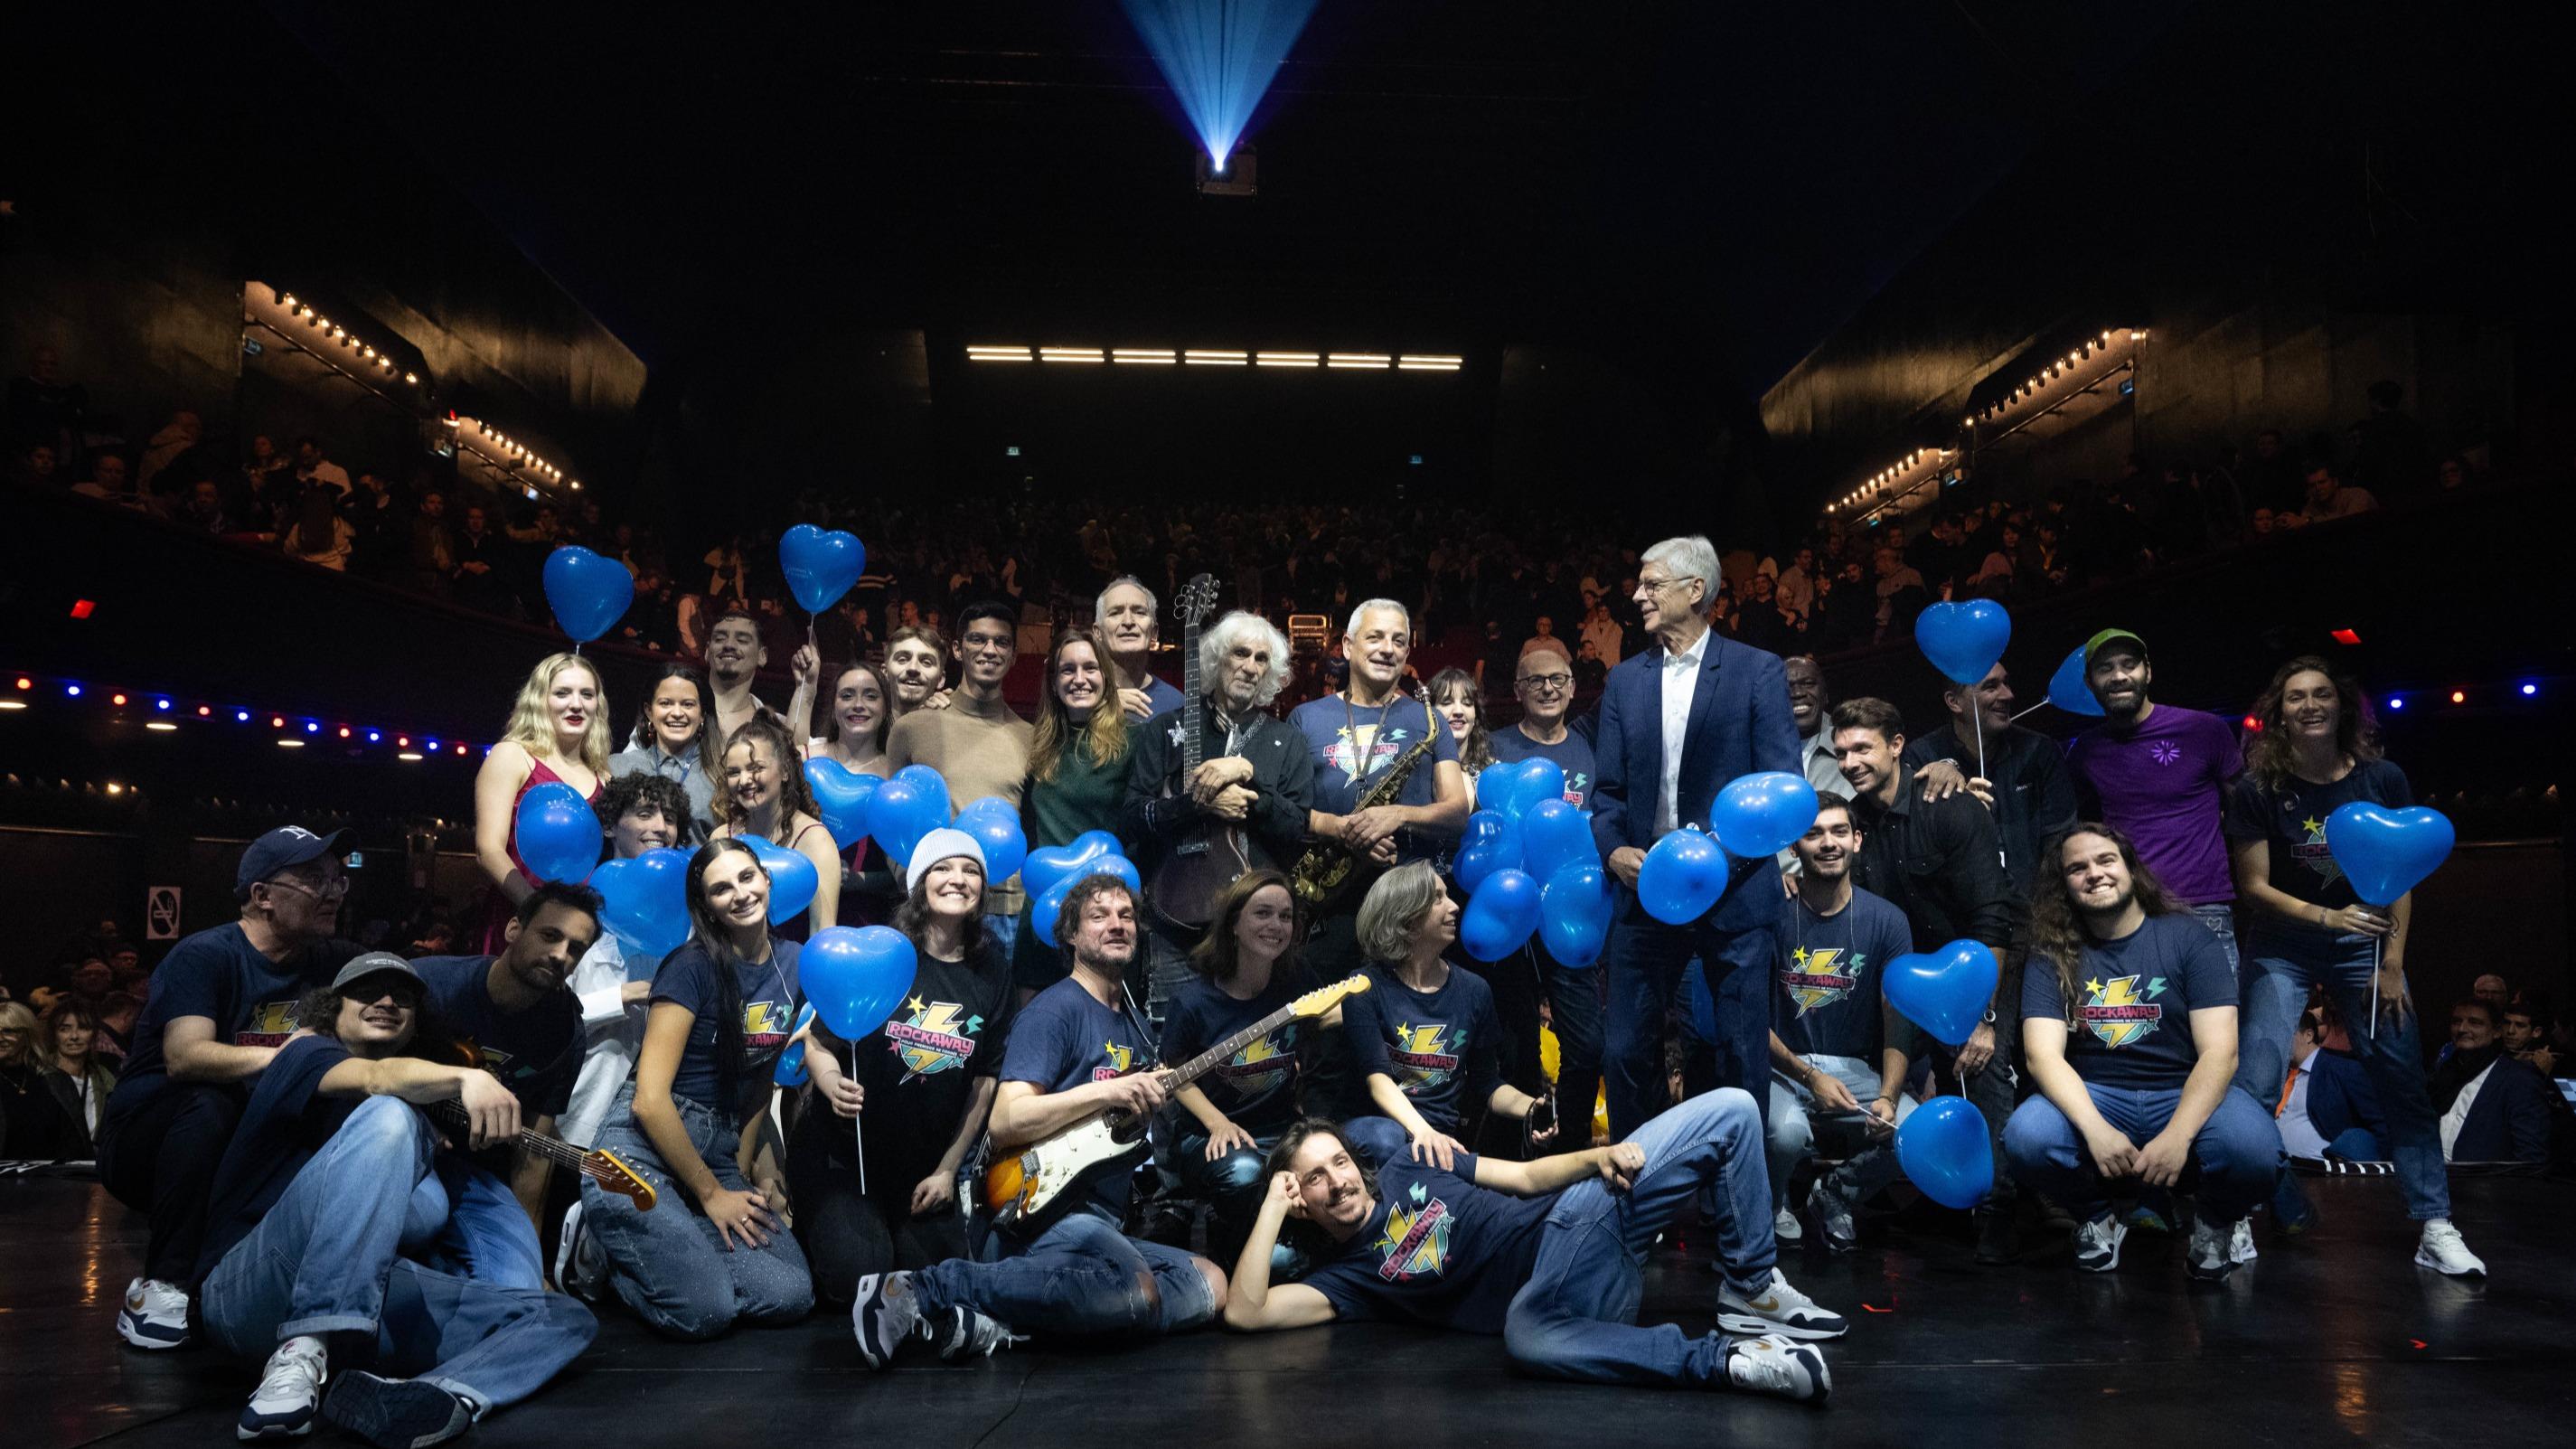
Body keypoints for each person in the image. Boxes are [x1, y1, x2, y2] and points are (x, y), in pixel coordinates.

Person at [195, 954, 595, 1446]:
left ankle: (435, 1397)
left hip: (365, 1314)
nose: (387, 1002)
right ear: (331, 1009)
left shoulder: (422, 1134)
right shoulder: (305, 1056)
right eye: (368, 992)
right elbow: (374, 1079)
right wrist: (467, 1078)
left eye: (403, 998)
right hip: (253, 1288)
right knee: (388, 1115)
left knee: (560, 1316)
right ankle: (303, 1346)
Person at [1220, 1105, 1843, 1401]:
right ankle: (1731, 1359)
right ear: (1302, 1198)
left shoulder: (1415, 1161)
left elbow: (1523, 1177)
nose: (1340, 1179)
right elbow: (1246, 1312)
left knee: (1732, 1108)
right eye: (1316, 1177)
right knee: (1528, 1334)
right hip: (1559, 1299)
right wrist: (1273, 1204)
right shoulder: (1346, 1280)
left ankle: (1749, 1283)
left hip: (1582, 1213)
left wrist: (1595, 1157)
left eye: (1340, 1161)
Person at [851, 874, 1224, 1364]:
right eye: (1099, 916)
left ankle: (1002, 1321)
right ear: (1070, 936)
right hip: (1035, 1214)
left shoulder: (1132, 1019)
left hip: (1102, 1220)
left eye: (1125, 915)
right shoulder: (1055, 1011)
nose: (1116, 924)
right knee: (1141, 1294)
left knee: (1209, 1283)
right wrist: (1109, 1089)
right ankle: (921, 1289)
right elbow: (1006, 1119)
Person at [2221, 654, 2481, 1270]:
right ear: (2278, 713)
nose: (2308, 704)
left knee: (2402, 1082)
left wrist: (2392, 961)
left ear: (2341, 706)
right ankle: (2232, 1217)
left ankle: (2435, 1226)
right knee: (2255, 1084)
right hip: (2283, 942)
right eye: (2294, 697)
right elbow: (2253, 885)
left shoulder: (2381, 777)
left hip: (2365, 946)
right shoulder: (2260, 789)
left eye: (2320, 694)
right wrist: (2326, 918)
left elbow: (2403, 873)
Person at [98, 826, 362, 1350]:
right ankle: (160, 1284)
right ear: (262, 896)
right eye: (314, 880)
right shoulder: (207, 954)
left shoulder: (330, 961)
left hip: (239, 1141)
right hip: (149, 1140)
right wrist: (293, 1059)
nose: (333, 891)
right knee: (212, 1099)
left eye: (337, 879)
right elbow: (186, 1055)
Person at [561, 841, 814, 1340]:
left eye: (746, 878)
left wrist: (737, 1176)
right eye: (721, 889)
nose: (739, 894)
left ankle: (676, 1254)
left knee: (790, 1292)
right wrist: (712, 1194)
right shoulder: (690, 966)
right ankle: (600, 1254)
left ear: (766, 878)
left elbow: (761, 1078)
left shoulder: (796, 964)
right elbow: (649, 1101)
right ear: (706, 906)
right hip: (636, 1153)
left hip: (714, 1150)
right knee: (705, 1312)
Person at [2003, 827, 2280, 1282]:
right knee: (2027, 1137)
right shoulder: (2051, 952)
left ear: (2130, 867)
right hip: (2098, 1093)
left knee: (2254, 1150)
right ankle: (2097, 1218)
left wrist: (2178, 1136)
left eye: (2105, 860)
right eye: (2078, 868)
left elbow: (2220, 1053)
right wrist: (2094, 1130)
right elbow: (2042, 1056)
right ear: (2065, 884)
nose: (2094, 874)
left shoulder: (2189, 939)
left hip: (2180, 1089)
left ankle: (2214, 1225)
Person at [1591, 535, 1799, 1143]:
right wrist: (1612, 850)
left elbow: (1781, 788)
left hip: (1733, 896)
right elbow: (1606, 795)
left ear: (1695, 591)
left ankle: (1738, 1204)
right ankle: (1642, 1188)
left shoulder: (1757, 671)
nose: (1637, 595)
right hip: (1643, 892)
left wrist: (1709, 864)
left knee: (1739, 1056)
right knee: (1626, 1050)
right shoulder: (1625, 681)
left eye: (1651, 583)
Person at [1830, 698, 2021, 1261]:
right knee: (1925, 1084)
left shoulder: (1951, 807)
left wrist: (1985, 1019)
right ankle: (1948, 1204)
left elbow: (1993, 916)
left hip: (1984, 973)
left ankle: (1998, 1214)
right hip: (1912, 983)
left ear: (1896, 746)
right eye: (1840, 751)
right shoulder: (1856, 824)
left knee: (1984, 1081)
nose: (1850, 761)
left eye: (1862, 747)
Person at [792, 831, 1015, 1305]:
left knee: (939, 1285)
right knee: (859, 1279)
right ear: (919, 883)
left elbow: (985, 1083)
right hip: (845, 1161)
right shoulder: (886, 955)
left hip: (921, 1172)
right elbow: (816, 1041)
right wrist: (830, 1082)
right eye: (943, 868)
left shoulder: (992, 970)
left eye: (971, 870)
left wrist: (947, 1171)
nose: (958, 879)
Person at [409, 883, 605, 1283]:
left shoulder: (565, 1030)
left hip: (477, 1177)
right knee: (421, 1219)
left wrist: (531, 1261)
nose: (560, 955)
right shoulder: (431, 985)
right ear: (514, 929)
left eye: (576, 949)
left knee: (519, 1287)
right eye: (550, 936)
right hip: (403, 1150)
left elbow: (535, 1155)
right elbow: (365, 1068)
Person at [1125, 610, 1313, 1009]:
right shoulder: (1166, 729)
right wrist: (1198, 803)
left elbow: (1297, 827)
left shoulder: (1287, 741)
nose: (1250, 667)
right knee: (1172, 1049)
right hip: (1176, 921)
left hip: (1260, 933)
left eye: (1261, 659)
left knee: (1251, 1049)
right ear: (1216, 660)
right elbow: (1132, 816)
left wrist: (1248, 780)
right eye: (1239, 654)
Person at [1765, 798, 1916, 1253]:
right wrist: (1808, 1076)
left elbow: (1898, 1021)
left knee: (1917, 1136)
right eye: (1814, 834)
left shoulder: (1888, 921)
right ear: (1795, 846)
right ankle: (1773, 1205)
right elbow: (1748, 1019)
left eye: (1838, 832)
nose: (1828, 843)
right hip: (1781, 1068)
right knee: (1786, 1132)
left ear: (1857, 840)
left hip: (1853, 1070)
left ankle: (1835, 1193)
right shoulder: (1771, 912)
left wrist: (1889, 1096)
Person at [1293, 600, 1471, 981]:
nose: (1387, 648)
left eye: (1398, 640)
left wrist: (1398, 814)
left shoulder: (1431, 719)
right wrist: (1347, 831)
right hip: (1329, 901)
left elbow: (1457, 811)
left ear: (1407, 652)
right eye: (1375, 637)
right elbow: (1289, 812)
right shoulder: (1305, 717)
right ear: (1346, 646)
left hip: (1409, 911)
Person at [1340, 863, 1553, 1161]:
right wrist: (1425, 1133)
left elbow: (1487, 1083)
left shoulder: (1474, 990)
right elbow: (1378, 1081)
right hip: (1377, 1137)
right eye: (1438, 898)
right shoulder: (1365, 986)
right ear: (1407, 916)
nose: (1454, 907)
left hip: (1440, 1144)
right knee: (1388, 1139)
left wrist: (1532, 1108)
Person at [1159, 870, 1317, 1265]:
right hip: (1208, 1137)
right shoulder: (1194, 1001)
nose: (1276, 926)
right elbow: (1174, 1074)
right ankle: (1232, 1244)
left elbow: (1326, 1022)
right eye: (1262, 913)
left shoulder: (1297, 981)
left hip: (1279, 1131)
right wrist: (1217, 1123)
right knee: (1246, 1171)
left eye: (1285, 916)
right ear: (1234, 924)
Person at [2067, 629, 2245, 969]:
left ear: (2148, 671)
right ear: (2090, 684)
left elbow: (2245, 814)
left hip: (2203, 908)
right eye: (2105, 669)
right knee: (2145, 1022)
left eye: (2129, 665)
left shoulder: (2203, 729)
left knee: (2216, 1022)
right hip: (2127, 911)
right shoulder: (2086, 751)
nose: (2119, 676)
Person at [887, 601, 1037, 951]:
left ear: (1014, 655)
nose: (989, 650)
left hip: (1005, 913)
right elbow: (892, 818)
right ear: (957, 648)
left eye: (1001, 642)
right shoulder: (913, 727)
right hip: (930, 906)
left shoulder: (1031, 736)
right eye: (978, 640)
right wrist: (908, 881)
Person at [558, 775, 686, 1151]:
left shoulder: (685, 913)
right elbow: (543, 1013)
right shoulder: (577, 910)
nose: (661, 828)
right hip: (576, 1114)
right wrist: (621, 996)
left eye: (671, 818)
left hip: (653, 1121)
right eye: (645, 814)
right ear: (610, 826)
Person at [1015, 627, 1134, 990]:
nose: (1079, 679)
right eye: (1068, 670)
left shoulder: (1134, 743)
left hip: (1105, 915)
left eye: (1090, 668)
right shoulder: (1036, 744)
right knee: (1036, 1027)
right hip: (1043, 912)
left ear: (1106, 678)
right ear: (1053, 681)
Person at [1904, 662, 2080, 895]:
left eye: (2006, 683)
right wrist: (1962, 813)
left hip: (2037, 909)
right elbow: (1918, 850)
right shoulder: (1922, 757)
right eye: (1991, 687)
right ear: (1954, 702)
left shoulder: (2039, 751)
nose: (2008, 695)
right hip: (1964, 913)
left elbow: (2062, 843)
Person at [472, 654, 608, 952]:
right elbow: (488, 850)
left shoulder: (605, 777)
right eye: (562, 693)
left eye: (587, 694)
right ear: (540, 699)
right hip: (517, 922)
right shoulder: (512, 755)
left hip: (580, 936)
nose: (576, 704)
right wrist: (537, 910)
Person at [710, 714, 842, 932]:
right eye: (734, 772)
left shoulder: (815, 840)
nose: (744, 781)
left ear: (785, 772)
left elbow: (822, 931)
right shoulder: (721, 838)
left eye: (755, 768)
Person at [608, 664, 719, 844]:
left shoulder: (719, 777)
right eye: (665, 703)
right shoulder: (617, 767)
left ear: (702, 715)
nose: (677, 713)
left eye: (688, 704)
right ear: (649, 711)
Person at [2433, 1000, 2552, 1165]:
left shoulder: (2520, 1080)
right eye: (2456, 1022)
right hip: (2431, 1181)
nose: (2462, 1029)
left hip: (2488, 1187)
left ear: (2497, 1031)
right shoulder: (2442, 1074)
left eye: (2475, 1023)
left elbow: (2530, 1160)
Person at [1096, 575, 1187, 719]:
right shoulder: (1082, 700)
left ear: (1154, 632)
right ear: (1097, 633)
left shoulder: (1177, 705)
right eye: (1115, 613)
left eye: (1139, 612)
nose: (1128, 621)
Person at [1, 1001, 81, 1160]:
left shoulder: (56, 1080)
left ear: (27, 1035)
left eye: (8, 1031)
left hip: (52, 1179)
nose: (1, 1038)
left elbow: (74, 1141)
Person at [42, 997, 121, 1156]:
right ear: (54, 1035)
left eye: (83, 1028)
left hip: (92, 1168)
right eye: (64, 1029)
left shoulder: (105, 1078)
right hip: (49, 1167)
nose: (74, 1036)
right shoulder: (39, 1078)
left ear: (94, 1034)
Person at [796, 659, 894, 779]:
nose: (858, 705)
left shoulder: (895, 771)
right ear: (833, 707)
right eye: (847, 696)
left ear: (885, 709)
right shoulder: (804, 758)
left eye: (871, 697)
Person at [702, 608, 779, 749]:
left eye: (742, 640)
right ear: (707, 651)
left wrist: (805, 691)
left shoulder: (775, 725)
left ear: (762, 656)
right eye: (719, 639)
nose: (729, 645)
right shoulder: (675, 709)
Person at [1428, 667, 1496, 800]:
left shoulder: (1492, 772)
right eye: (1447, 703)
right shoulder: (1417, 776)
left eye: (1467, 703)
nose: (1459, 711)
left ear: (1475, 715)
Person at [1782, 656, 1843, 801]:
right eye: (1786, 687)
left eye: (1808, 683)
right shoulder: (1760, 751)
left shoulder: (1850, 746)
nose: (1797, 693)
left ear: (1825, 695)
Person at [882, 624, 952, 719]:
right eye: (902, 659)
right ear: (884, 672)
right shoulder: (863, 727)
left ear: (940, 679)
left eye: (926, 662)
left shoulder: (950, 727)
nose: (913, 668)